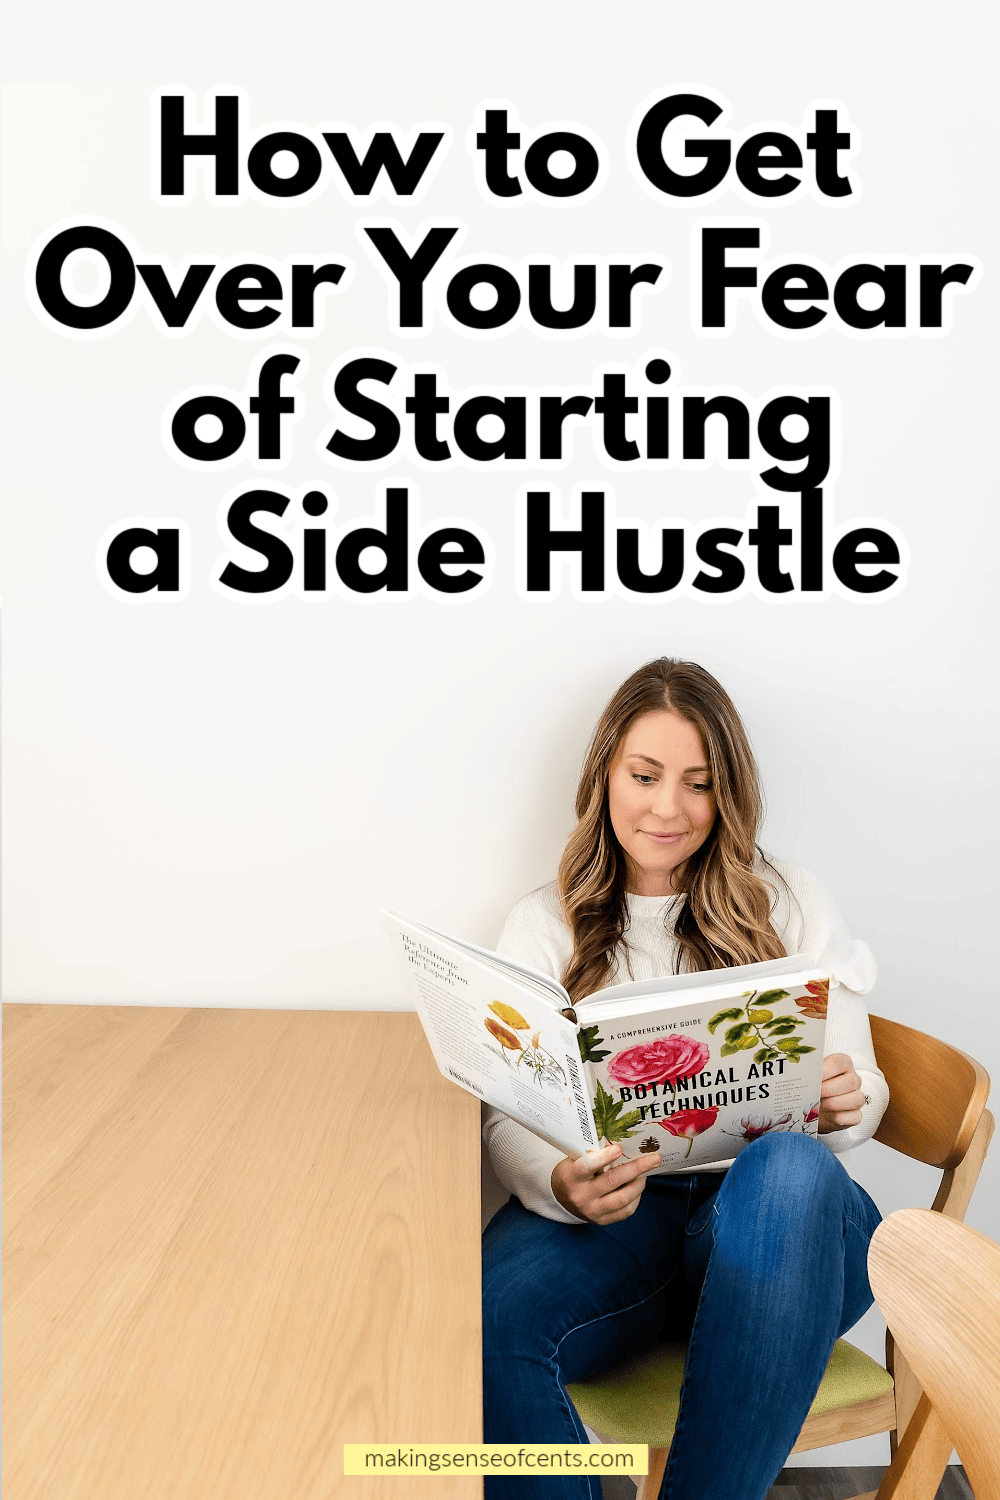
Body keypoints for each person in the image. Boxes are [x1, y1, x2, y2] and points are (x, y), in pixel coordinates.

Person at [481, 658, 887, 1500]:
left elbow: (864, 1093)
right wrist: (560, 1181)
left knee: (789, 1167)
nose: (668, 808)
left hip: (785, 1237)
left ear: (727, 793)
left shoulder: (790, 900)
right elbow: (506, 1117)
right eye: (645, 776)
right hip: (626, 1224)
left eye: (698, 784)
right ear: (604, 776)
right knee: (488, 1317)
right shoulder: (541, 925)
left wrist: (845, 1106)